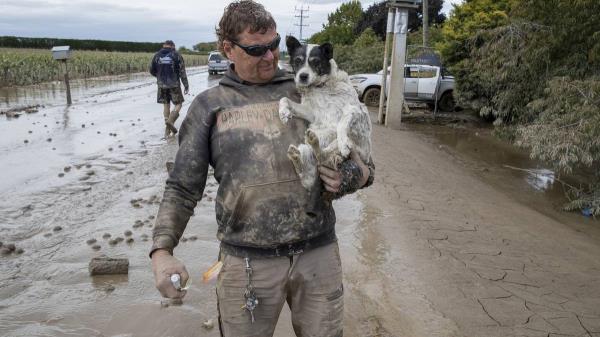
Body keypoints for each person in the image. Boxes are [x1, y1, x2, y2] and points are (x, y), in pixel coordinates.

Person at [150, 1, 375, 336]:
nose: (270, 56)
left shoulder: (307, 88)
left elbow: (365, 161)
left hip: (318, 254)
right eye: (256, 49)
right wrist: (162, 251)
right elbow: (182, 186)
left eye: (273, 45)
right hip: (246, 264)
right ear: (228, 49)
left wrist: (349, 177)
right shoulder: (209, 106)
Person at [150, 40, 189, 138]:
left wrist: (159, 77)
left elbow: (151, 70)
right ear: (172, 46)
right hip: (174, 84)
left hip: (161, 85)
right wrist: (186, 85)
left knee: (166, 105)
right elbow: (182, 72)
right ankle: (170, 121)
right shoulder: (176, 55)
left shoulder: (156, 55)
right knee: (178, 104)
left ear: (164, 46)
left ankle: (167, 131)